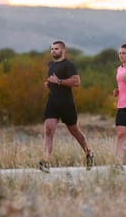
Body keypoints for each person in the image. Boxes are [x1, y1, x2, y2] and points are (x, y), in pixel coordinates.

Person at [39, 40, 94, 173]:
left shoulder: (68, 65)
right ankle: (45, 160)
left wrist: (58, 81)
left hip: (66, 103)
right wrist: (49, 84)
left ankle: (88, 153)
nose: (53, 51)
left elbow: (76, 81)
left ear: (63, 50)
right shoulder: (50, 64)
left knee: (74, 131)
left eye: (56, 49)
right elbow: (52, 80)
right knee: (48, 131)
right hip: (52, 102)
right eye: (52, 49)